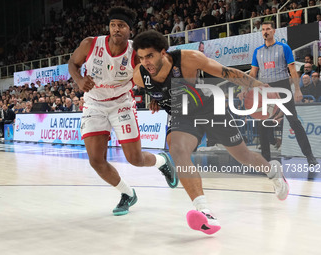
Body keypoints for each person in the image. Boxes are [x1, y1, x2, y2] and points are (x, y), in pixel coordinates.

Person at [132, 30, 289, 235]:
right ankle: (205, 212)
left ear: (163, 53)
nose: (146, 62)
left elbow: (227, 72)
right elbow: (158, 89)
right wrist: (155, 98)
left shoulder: (188, 59)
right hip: (182, 114)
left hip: (209, 106)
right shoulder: (139, 75)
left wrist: (260, 86)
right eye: (141, 58)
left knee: (244, 156)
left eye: (150, 56)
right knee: (177, 150)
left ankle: (272, 171)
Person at [68, 7, 178, 216]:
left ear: (130, 30)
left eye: (121, 26)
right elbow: (73, 63)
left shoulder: (136, 53)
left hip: (121, 104)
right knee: (95, 160)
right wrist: (80, 79)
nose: (116, 29)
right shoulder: (90, 44)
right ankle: (127, 194)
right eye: (113, 25)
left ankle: (163, 161)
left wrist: (156, 97)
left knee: (135, 159)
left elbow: (152, 76)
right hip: (94, 104)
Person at [249, 21, 318, 166]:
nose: (265, 32)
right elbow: (253, 73)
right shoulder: (257, 51)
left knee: (294, 122)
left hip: (282, 87)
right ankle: (266, 160)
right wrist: (246, 89)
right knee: (263, 125)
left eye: (268, 29)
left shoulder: (284, 48)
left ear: (274, 31)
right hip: (265, 89)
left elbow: (292, 70)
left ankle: (309, 156)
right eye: (263, 30)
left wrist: (297, 90)